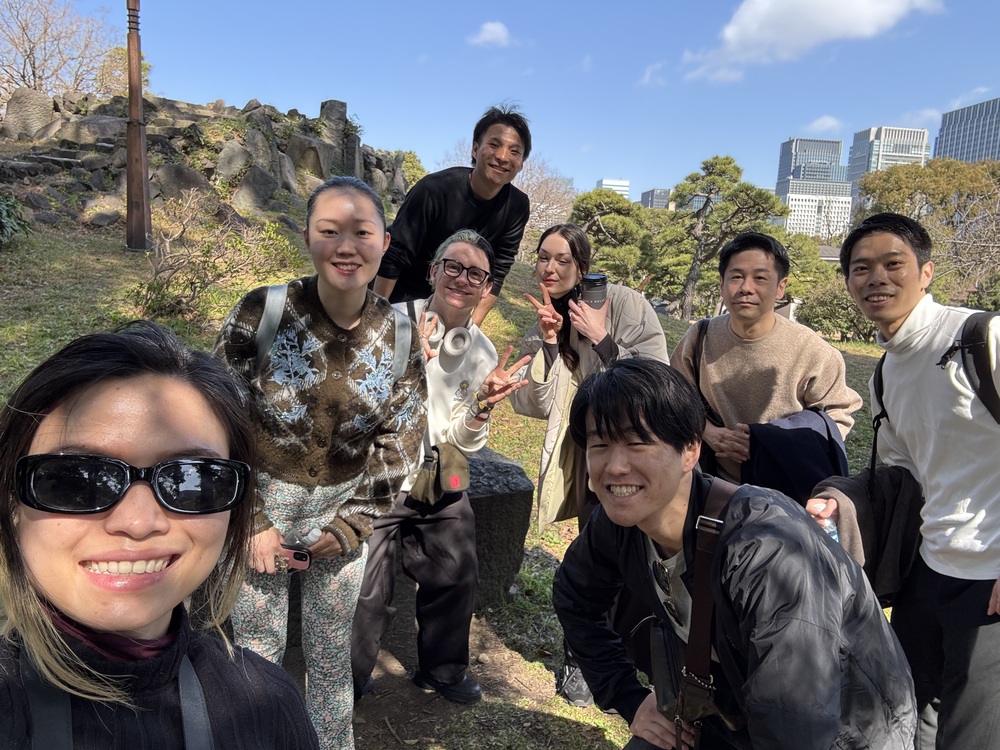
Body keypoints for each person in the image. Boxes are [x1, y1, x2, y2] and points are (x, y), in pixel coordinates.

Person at [554, 358, 916, 749]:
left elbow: (795, 725)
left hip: (845, 733)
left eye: (636, 443)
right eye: (600, 445)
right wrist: (629, 697)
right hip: (728, 711)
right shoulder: (620, 523)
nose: (615, 467)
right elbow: (574, 597)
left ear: (690, 449)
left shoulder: (766, 552)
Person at [0, 321, 320, 749]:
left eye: (193, 478)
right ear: (12, 501)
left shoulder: (269, 704)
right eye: (77, 478)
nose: (138, 522)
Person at [215, 176, 427, 750]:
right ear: (307, 236)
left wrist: (353, 524)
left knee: (332, 656)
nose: (346, 247)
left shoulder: (400, 334)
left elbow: (402, 441)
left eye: (362, 233)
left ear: (385, 242)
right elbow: (215, 419)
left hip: (342, 512)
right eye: (329, 231)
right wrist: (250, 519)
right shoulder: (264, 311)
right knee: (257, 654)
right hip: (261, 508)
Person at [809, 212, 1000, 749]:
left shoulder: (982, 337)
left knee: (973, 734)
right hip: (929, 567)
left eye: (894, 264)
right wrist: (840, 502)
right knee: (904, 715)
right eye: (860, 268)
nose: (877, 278)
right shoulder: (887, 371)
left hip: (990, 576)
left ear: (926, 272)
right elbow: (901, 473)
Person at [352, 229, 530, 705]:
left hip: (436, 476)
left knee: (457, 569)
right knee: (367, 587)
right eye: (453, 266)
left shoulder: (483, 351)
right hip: (378, 473)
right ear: (433, 271)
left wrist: (483, 408)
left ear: (486, 288)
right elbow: (356, 404)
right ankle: (350, 676)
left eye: (475, 273)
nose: (462, 278)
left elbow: (462, 441)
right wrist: (407, 361)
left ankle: (443, 670)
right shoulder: (385, 321)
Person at [510, 222, 669, 706]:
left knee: (643, 554)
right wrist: (548, 341)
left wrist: (601, 337)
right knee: (595, 553)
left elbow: (657, 378)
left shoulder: (624, 304)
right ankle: (582, 658)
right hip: (587, 455)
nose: (550, 267)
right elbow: (532, 403)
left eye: (563, 259)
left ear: (582, 265)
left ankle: (645, 652)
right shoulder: (547, 316)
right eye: (543, 257)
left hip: (634, 452)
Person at [671, 232, 861, 494]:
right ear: (721, 284)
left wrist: (769, 445)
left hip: (786, 489)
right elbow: (674, 399)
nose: (746, 288)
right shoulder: (699, 337)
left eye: (760, 278)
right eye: (736, 277)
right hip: (712, 482)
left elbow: (837, 418)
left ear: (781, 287)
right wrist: (709, 432)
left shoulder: (812, 350)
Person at [373, 104, 532, 326]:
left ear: (522, 163)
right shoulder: (433, 189)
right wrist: (377, 315)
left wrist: (470, 330)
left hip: (453, 296)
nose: (503, 156)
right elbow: (395, 255)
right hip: (403, 285)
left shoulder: (517, 206)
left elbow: (499, 269)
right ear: (475, 149)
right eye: (494, 145)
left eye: (515, 151)